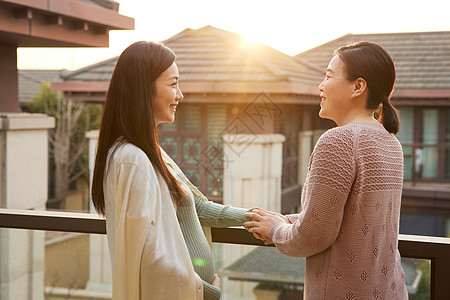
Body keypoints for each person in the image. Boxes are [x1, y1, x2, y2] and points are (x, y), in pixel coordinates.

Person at [244, 41, 408, 299]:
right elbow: (351, 219)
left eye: (329, 75)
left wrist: (277, 230)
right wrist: (288, 220)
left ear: (358, 86)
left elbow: (313, 236)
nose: (320, 86)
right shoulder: (391, 143)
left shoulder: (338, 141)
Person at [91, 41, 250, 300]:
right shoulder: (133, 160)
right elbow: (147, 256)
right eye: (173, 84)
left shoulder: (148, 152)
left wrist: (255, 218)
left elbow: (193, 206)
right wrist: (207, 292)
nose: (180, 95)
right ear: (145, 89)